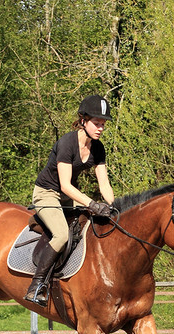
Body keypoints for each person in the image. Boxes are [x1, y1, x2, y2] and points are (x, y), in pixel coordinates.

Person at [25, 94, 116, 306]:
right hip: (46, 193)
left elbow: (104, 184)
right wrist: (92, 204)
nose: (100, 128)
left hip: (67, 197)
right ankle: (36, 286)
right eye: (96, 123)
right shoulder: (67, 143)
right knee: (61, 235)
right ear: (83, 120)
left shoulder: (98, 148)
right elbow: (65, 185)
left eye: (103, 124)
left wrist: (112, 207)